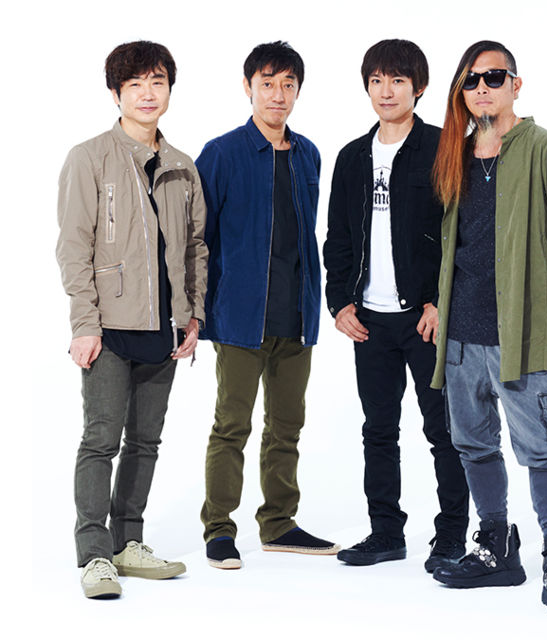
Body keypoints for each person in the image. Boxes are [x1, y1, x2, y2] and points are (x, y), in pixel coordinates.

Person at [429, 40, 547, 614]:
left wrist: (537, 302)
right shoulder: (456, 152)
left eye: (494, 77)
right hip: (459, 338)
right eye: (471, 80)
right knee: (474, 445)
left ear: (515, 85)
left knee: (542, 449)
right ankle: (496, 546)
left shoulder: (546, 148)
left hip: (518, 338)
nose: (482, 88)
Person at [56, 41, 208, 599]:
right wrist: (84, 323)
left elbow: (195, 247)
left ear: (169, 90)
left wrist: (193, 316)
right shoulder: (89, 157)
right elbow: (74, 246)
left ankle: (128, 542)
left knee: (146, 442)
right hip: (109, 329)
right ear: (116, 92)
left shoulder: (182, 165)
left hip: (164, 331)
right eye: (136, 83)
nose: (148, 93)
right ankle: (94, 554)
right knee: (101, 439)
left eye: (158, 81)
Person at [323, 39, 469, 571]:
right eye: (377, 81)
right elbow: (338, 238)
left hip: (425, 319)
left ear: (419, 87)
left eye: (398, 81)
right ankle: (386, 532)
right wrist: (340, 303)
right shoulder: (351, 156)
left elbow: (461, 234)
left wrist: (439, 303)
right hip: (370, 320)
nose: (386, 91)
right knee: (378, 430)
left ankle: (452, 534)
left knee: (444, 431)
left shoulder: (443, 147)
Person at [196, 41, 339, 570]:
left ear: (298, 91)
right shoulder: (221, 153)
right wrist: (195, 311)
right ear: (248, 87)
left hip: (296, 314)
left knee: (287, 427)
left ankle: (279, 523)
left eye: (287, 85)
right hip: (239, 317)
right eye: (267, 84)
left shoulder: (308, 154)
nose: (278, 95)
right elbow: (199, 238)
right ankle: (219, 528)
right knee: (231, 426)